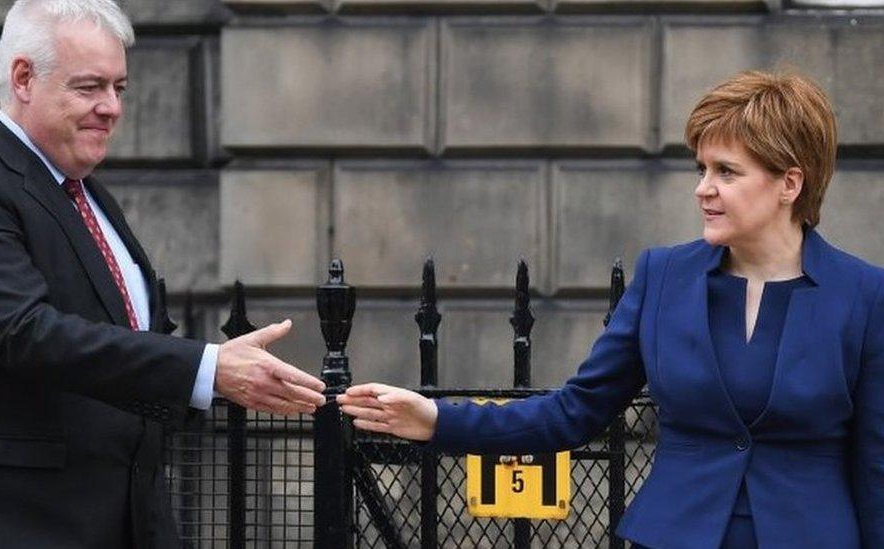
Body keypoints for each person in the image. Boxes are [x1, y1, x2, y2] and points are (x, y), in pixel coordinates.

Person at [338, 70, 884, 549]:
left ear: (790, 182)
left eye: (727, 172)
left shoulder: (862, 295)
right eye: (701, 168)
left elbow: (875, 463)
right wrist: (436, 419)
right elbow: (573, 412)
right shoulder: (664, 278)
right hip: (673, 535)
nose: (702, 189)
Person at [0, 1, 326, 547]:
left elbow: (129, 348)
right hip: (3, 521)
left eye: (120, 88)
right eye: (89, 87)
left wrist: (217, 382)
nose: (111, 108)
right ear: (23, 78)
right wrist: (207, 368)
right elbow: (26, 332)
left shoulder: (90, 197)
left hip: (122, 519)